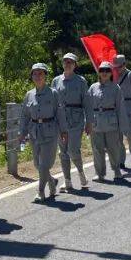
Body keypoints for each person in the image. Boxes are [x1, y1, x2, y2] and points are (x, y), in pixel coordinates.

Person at [19, 63, 65, 201]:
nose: (37, 76)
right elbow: (25, 115)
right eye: (35, 73)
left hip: (50, 131)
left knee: (45, 164)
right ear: (32, 76)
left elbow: (60, 113)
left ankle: (40, 192)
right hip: (34, 133)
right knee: (38, 165)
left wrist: (64, 131)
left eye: (40, 73)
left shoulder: (53, 93)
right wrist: (22, 133)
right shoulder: (29, 95)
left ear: (45, 76)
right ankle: (51, 182)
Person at [52, 52, 91, 191]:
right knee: (63, 152)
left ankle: (81, 172)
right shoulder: (56, 81)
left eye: (71, 62)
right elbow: (53, 102)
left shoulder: (81, 81)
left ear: (75, 65)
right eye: (65, 61)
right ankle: (67, 180)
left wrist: (89, 122)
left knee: (73, 150)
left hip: (76, 120)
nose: (67, 64)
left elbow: (87, 102)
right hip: (61, 120)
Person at [88, 60, 125, 181]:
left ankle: (116, 170)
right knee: (97, 149)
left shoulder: (116, 88)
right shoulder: (93, 87)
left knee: (113, 148)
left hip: (111, 122)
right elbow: (88, 106)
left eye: (107, 70)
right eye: (101, 70)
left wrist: (122, 125)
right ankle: (100, 173)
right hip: (96, 122)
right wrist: (87, 122)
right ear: (98, 73)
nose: (104, 73)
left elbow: (120, 107)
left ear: (111, 73)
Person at [111, 53, 131, 168]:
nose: (117, 69)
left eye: (119, 66)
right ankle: (121, 160)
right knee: (117, 136)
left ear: (124, 64)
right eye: (115, 67)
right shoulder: (112, 76)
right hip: (116, 107)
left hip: (129, 106)